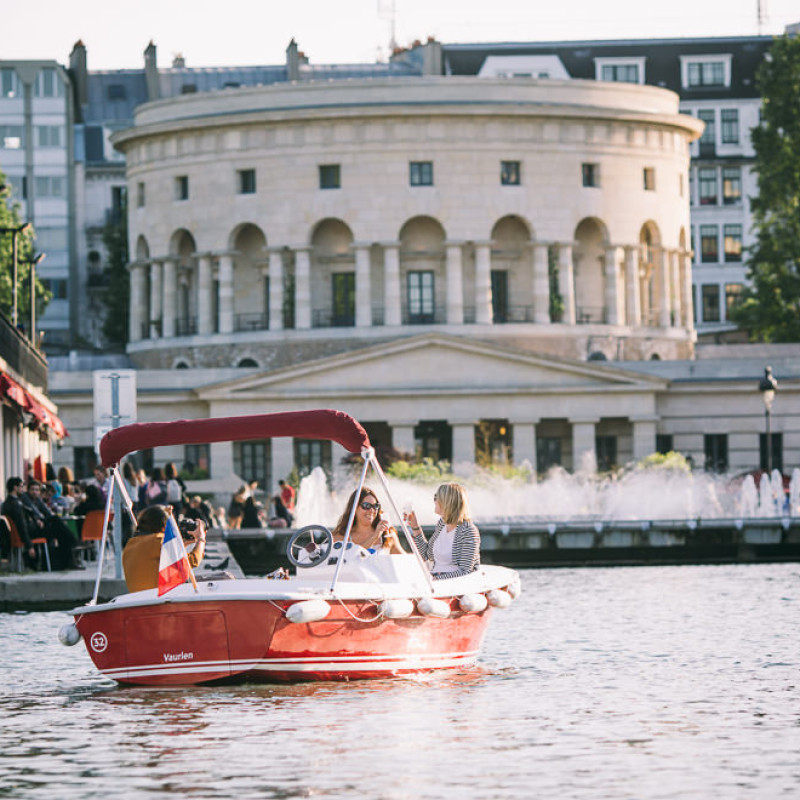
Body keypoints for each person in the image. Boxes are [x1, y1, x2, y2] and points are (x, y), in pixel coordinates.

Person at [122, 504, 207, 593]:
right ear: (164, 525)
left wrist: (182, 545)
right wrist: (201, 538)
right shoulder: (159, 541)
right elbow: (193, 560)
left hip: (136, 600)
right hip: (157, 599)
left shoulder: (131, 543)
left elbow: (162, 561)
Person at [404, 482, 480, 579]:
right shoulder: (442, 524)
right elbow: (425, 555)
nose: (434, 500)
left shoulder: (468, 530)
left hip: (453, 586)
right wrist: (415, 527)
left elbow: (466, 571)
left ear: (447, 502)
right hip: (434, 580)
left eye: (436, 497)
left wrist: (437, 579)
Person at [19, 479, 85, 570]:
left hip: (40, 527)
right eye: (32, 489)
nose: (35, 492)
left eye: (37, 490)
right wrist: (41, 519)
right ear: (28, 490)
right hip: (32, 530)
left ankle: (68, 560)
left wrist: (44, 519)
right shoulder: (25, 498)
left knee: (60, 530)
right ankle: (73, 545)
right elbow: (36, 512)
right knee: (58, 526)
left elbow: (48, 513)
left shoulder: (38, 499)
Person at [331, 486, 403, 553]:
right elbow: (352, 557)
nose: (372, 510)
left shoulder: (387, 536)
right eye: (366, 506)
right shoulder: (341, 537)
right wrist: (375, 536)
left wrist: (414, 528)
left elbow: (407, 561)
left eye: (375, 506)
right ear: (354, 508)